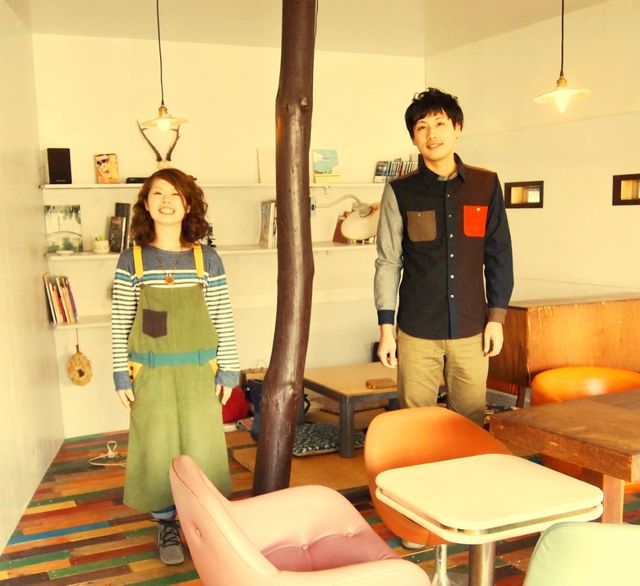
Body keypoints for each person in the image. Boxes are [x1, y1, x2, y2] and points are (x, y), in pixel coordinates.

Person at [111, 168, 240, 565]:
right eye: (157, 194)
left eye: (175, 194)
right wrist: (120, 375)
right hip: (149, 373)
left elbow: (222, 316)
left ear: (188, 204)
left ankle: (205, 521)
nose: (166, 201)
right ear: (146, 204)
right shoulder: (132, 260)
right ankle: (166, 522)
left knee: (203, 446)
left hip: (200, 372)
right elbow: (121, 320)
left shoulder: (208, 259)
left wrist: (229, 370)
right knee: (157, 448)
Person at [374, 88, 513, 426]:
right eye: (421, 127)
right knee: (416, 425)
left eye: (440, 124)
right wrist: (386, 329)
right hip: (417, 330)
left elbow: (499, 254)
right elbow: (388, 262)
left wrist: (496, 319)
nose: (431, 134)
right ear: (413, 137)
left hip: (471, 329)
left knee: (471, 423)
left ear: (457, 129)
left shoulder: (486, 185)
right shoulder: (399, 191)